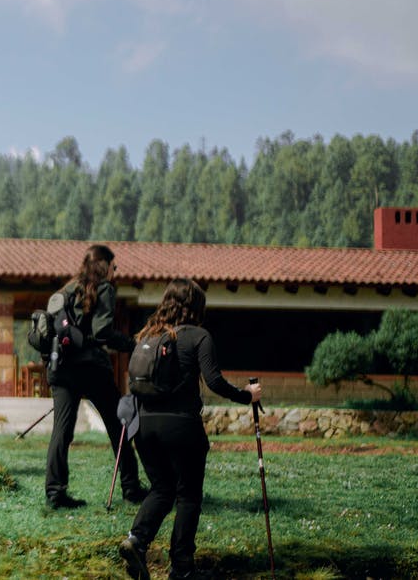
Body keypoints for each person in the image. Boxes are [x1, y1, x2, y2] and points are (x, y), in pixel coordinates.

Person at [117, 278, 262, 580]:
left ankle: (136, 540)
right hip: (181, 427)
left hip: (143, 426)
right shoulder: (199, 336)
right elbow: (214, 381)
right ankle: (182, 568)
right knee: (188, 496)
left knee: (161, 488)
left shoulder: (147, 334)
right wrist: (247, 396)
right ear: (197, 306)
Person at [44, 244, 147, 509]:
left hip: (62, 367)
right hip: (91, 368)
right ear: (105, 266)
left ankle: (55, 493)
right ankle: (131, 488)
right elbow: (102, 332)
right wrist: (131, 344)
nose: (116, 271)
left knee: (62, 431)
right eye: (115, 266)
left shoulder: (67, 289)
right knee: (118, 426)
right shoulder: (105, 289)